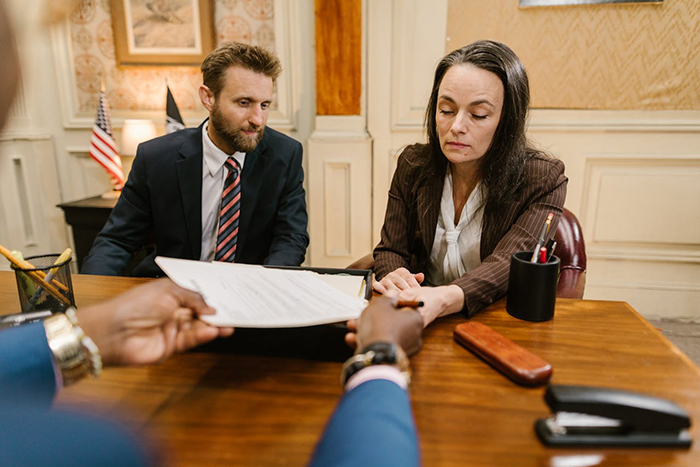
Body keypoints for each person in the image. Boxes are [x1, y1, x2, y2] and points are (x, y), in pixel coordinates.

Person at [373, 40, 568, 326]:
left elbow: (507, 264)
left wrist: (441, 299)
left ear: (507, 121)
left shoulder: (542, 179)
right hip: (418, 315)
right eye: (446, 110)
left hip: (493, 321)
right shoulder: (413, 164)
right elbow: (391, 250)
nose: (456, 127)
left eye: (478, 115)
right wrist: (395, 277)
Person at [82, 42, 309, 277]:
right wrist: (91, 297)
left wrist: (264, 284)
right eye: (244, 103)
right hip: (172, 291)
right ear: (208, 98)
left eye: (264, 105)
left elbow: (291, 237)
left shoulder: (285, 155)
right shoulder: (156, 158)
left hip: (249, 289)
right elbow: (117, 241)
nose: (258, 119)